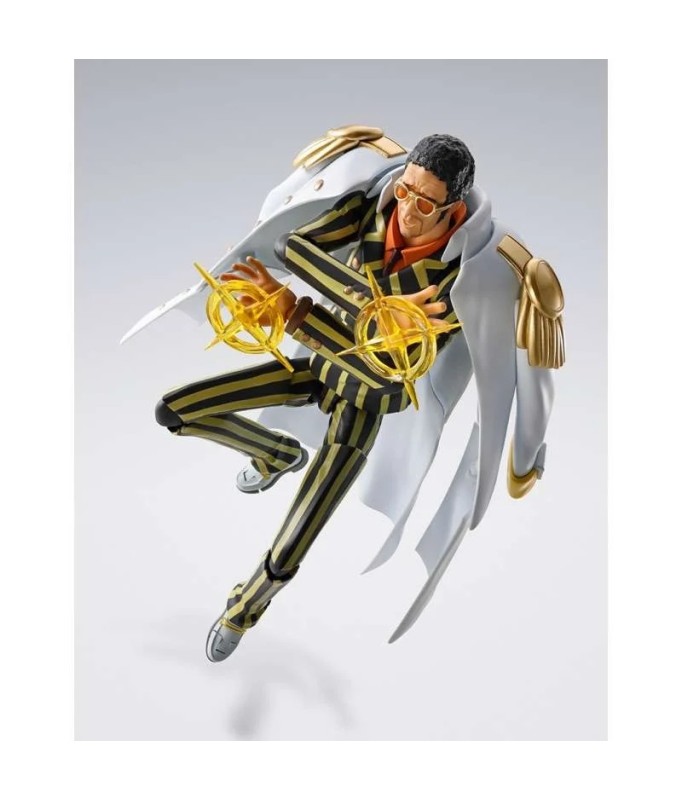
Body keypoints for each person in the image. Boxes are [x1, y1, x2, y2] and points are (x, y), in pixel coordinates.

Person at [154, 134, 478, 661]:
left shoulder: (456, 283)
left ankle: (245, 609)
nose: (407, 210)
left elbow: (390, 374)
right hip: (315, 368)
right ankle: (276, 454)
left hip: (363, 407)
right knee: (174, 410)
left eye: (425, 204)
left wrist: (294, 313)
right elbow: (293, 248)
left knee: (290, 546)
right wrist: (375, 308)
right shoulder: (371, 211)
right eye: (405, 191)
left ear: (453, 210)